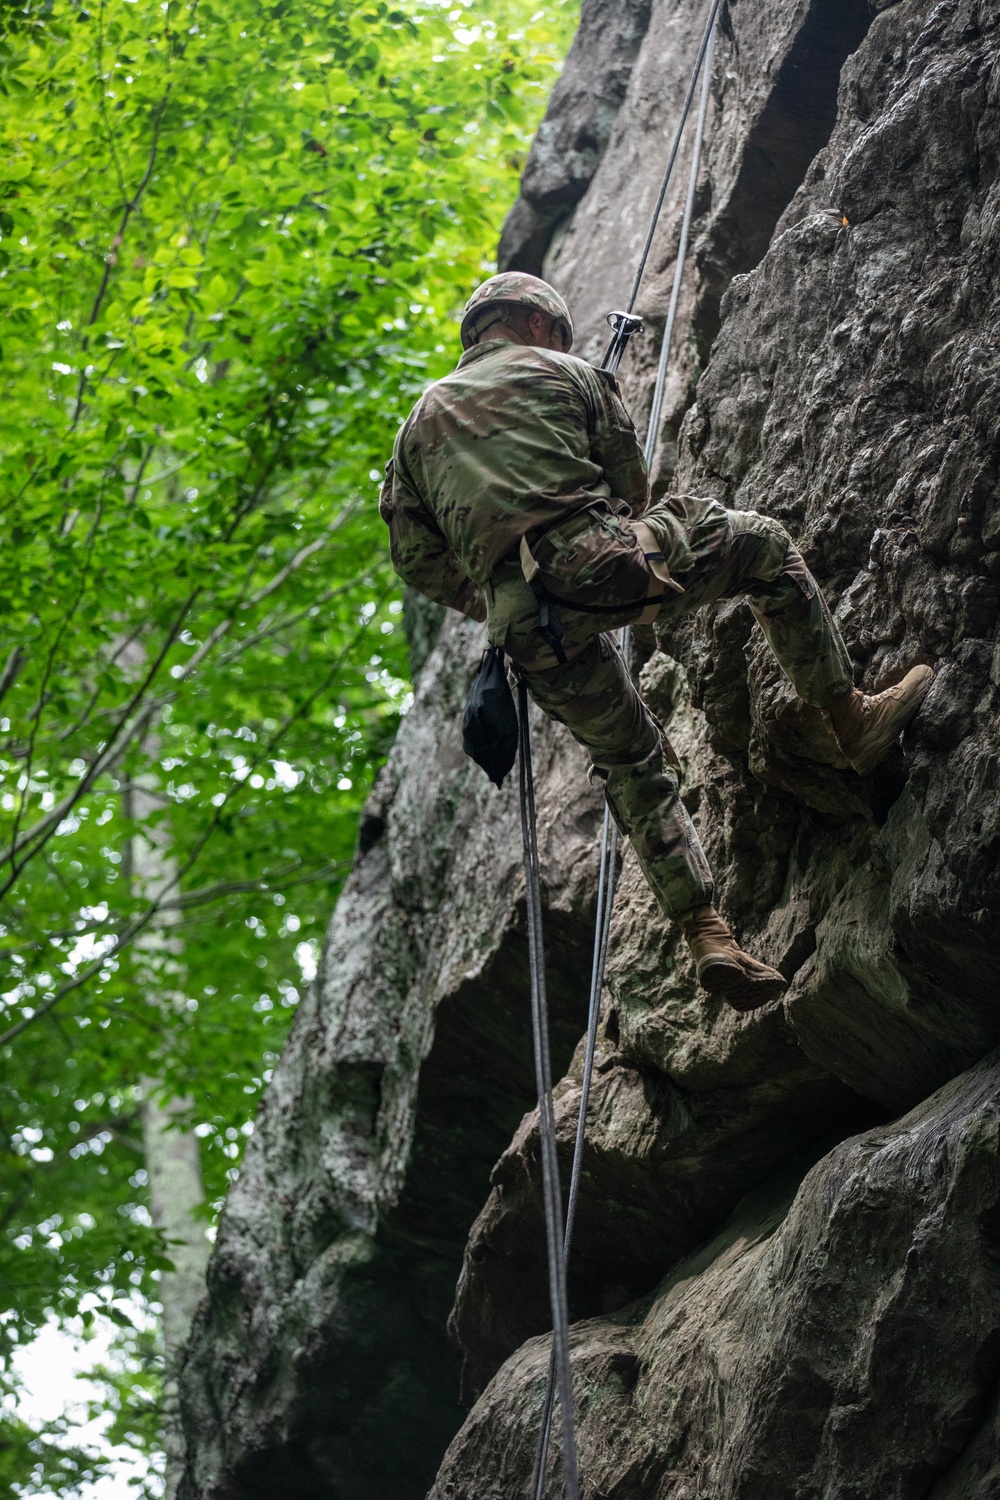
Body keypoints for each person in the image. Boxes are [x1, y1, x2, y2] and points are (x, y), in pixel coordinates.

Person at [379, 273, 932, 1010]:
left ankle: (710, 936)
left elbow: (417, 563)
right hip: (602, 562)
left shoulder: (414, 430)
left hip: (525, 629)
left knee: (630, 759)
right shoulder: (568, 373)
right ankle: (851, 721)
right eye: (557, 330)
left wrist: (493, 591)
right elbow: (630, 487)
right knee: (764, 548)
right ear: (533, 323)